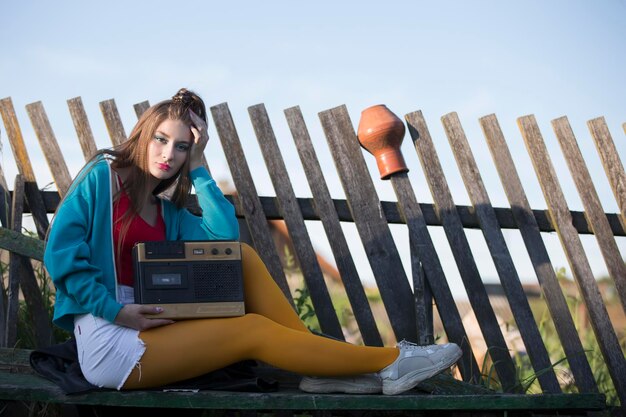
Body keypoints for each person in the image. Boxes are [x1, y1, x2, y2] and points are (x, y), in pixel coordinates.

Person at [44, 88, 462, 396]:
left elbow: (223, 242)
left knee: (240, 255)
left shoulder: (166, 212)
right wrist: (117, 311)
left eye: (182, 147)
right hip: (110, 338)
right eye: (162, 139)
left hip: (151, 327)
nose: (169, 153)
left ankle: (317, 367)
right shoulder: (102, 180)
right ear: (144, 133)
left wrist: (202, 166)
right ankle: (394, 360)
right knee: (254, 331)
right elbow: (59, 256)